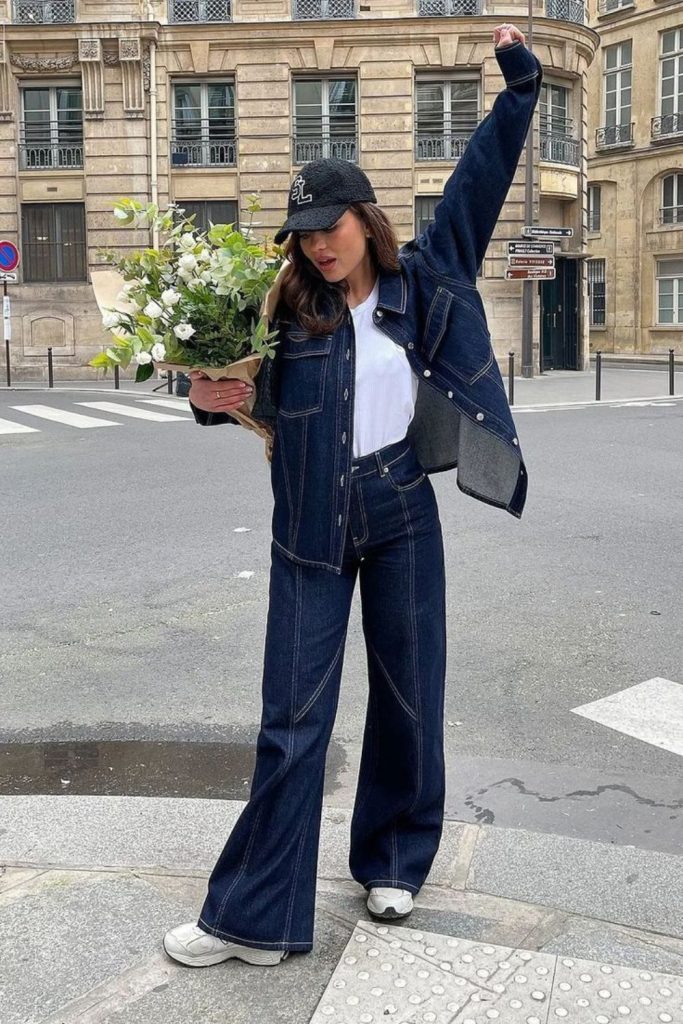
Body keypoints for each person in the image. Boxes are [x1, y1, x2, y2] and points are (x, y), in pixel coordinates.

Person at [163, 23, 542, 968]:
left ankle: (394, 863)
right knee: (290, 718)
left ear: (364, 220)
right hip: (308, 527)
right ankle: (250, 917)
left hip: (402, 510)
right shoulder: (285, 309)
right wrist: (206, 396)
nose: (316, 249)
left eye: (328, 230)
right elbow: (237, 384)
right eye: (300, 237)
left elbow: (478, 178)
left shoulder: (428, 278)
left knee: (410, 696)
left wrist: (519, 86)